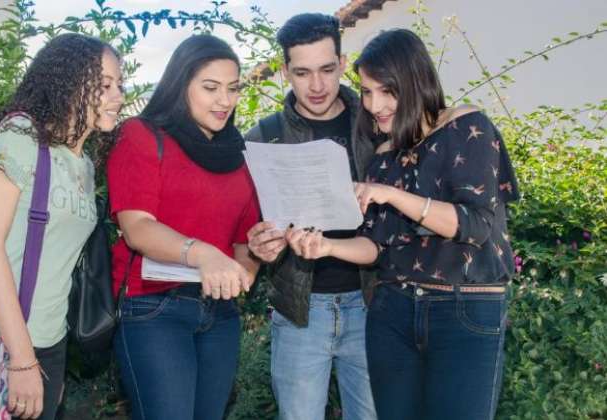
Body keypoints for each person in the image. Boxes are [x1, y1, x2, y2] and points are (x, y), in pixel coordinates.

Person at [285, 28, 520, 420]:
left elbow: (476, 225)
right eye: (366, 91)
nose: (375, 104)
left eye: (386, 91)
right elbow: (376, 245)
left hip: (462, 308)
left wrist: (392, 194)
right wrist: (326, 246)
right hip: (392, 311)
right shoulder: (385, 153)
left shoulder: (467, 128)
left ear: (415, 81)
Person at [0, 33, 124, 420]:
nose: (117, 95)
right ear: (68, 81)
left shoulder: (84, 165)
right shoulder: (20, 135)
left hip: (47, 341)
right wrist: (21, 359)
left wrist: (46, 360)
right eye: (104, 85)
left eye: (120, 85)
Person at [106, 34, 260, 420]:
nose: (225, 101)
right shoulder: (141, 135)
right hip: (154, 307)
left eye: (233, 89)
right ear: (180, 85)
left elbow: (244, 246)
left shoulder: (241, 157)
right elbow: (138, 227)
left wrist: (258, 256)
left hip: (220, 314)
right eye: (210, 88)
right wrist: (204, 253)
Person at [245, 13, 378, 420]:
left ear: (342, 62)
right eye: (302, 73)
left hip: (373, 304)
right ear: (285, 72)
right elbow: (248, 226)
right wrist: (258, 247)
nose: (317, 85)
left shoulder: (376, 125)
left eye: (326, 69)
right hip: (300, 311)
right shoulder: (263, 136)